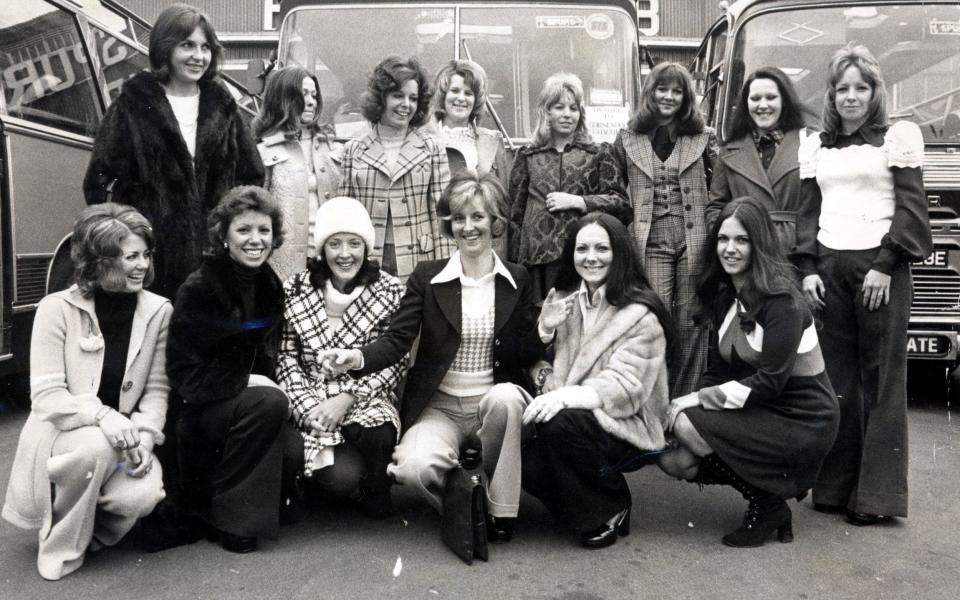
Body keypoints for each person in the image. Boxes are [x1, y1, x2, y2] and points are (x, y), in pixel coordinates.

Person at [322, 172, 545, 543]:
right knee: (413, 469)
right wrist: (356, 357)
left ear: (495, 222)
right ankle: (465, 508)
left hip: (493, 408)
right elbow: (396, 340)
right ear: (449, 224)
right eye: (459, 218)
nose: (468, 227)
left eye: (478, 217)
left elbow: (523, 352)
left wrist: (544, 330)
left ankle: (501, 512)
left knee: (506, 396)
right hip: (439, 407)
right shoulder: (429, 276)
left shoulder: (517, 278)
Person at [796, 45, 931, 525]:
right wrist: (809, 267)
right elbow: (808, 211)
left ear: (876, 91)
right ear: (832, 94)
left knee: (881, 380)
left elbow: (913, 210)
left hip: (881, 268)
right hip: (831, 268)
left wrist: (885, 264)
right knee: (838, 381)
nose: (851, 96)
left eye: (861, 87)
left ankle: (875, 499)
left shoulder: (897, 137)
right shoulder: (816, 143)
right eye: (843, 88)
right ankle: (833, 489)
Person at [658, 197, 839, 547]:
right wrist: (691, 399)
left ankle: (769, 506)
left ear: (759, 244)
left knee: (686, 424)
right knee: (675, 461)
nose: (730, 249)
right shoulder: (727, 295)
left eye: (741, 240)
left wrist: (691, 402)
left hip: (803, 417)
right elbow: (718, 369)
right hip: (763, 409)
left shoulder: (782, 302)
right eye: (723, 240)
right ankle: (768, 502)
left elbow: (770, 383)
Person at [3, 204, 169, 580]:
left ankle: (91, 533)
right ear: (100, 261)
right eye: (130, 257)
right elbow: (46, 396)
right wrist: (102, 415)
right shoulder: (55, 308)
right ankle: (60, 547)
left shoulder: (159, 311)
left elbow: (157, 390)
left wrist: (144, 437)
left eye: (146, 254)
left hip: (122, 437)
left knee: (142, 495)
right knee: (96, 445)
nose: (142, 265)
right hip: (62, 435)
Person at [83, 3, 263, 300]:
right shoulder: (134, 102)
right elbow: (97, 182)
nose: (198, 56)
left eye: (205, 47)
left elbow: (253, 177)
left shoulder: (223, 105)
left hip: (214, 261)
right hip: (150, 261)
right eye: (187, 45)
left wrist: (231, 230)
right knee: (151, 342)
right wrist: (126, 238)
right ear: (165, 48)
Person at [520, 212, 673, 549]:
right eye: (582, 248)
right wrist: (545, 339)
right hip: (576, 418)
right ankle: (587, 506)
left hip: (625, 420)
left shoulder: (640, 313)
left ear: (620, 253)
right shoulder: (566, 300)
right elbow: (537, 361)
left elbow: (625, 387)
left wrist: (562, 398)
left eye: (602, 248)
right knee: (528, 464)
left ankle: (611, 502)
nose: (590, 257)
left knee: (558, 426)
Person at [166, 186, 303, 554]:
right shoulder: (199, 287)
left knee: (295, 449)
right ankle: (232, 521)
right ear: (224, 235)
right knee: (270, 404)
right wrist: (249, 381)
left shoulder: (271, 285)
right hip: (201, 411)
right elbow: (184, 375)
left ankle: (241, 502)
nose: (255, 240)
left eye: (264, 230)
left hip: (250, 405)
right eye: (243, 230)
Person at [276, 197, 405, 519]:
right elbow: (287, 356)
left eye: (353, 243)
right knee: (338, 479)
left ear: (366, 247)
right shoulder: (295, 287)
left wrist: (347, 398)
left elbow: (395, 358)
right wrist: (307, 408)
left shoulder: (390, 290)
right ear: (322, 248)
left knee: (379, 430)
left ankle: (376, 490)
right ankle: (322, 482)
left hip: (362, 393)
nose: (344, 254)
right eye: (334, 244)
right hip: (309, 394)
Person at [609, 61, 717, 397]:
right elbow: (615, 193)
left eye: (677, 90)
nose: (669, 96)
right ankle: (655, 398)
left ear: (687, 97)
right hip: (651, 240)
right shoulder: (628, 138)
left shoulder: (704, 137)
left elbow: (718, 191)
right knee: (655, 319)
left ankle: (685, 400)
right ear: (650, 92)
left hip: (693, 240)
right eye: (662, 89)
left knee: (692, 320)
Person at [507, 72, 630, 302]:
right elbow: (515, 215)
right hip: (536, 263)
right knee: (541, 323)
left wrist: (580, 202)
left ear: (581, 114)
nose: (567, 114)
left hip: (583, 256)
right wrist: (514, 266)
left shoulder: (598, 153)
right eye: (559, 107)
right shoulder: (527, 156)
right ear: (546, 112)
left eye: (573, 108)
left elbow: (621, 203)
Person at [338, 56, 452, 281]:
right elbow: (346, 218)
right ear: (381, 98)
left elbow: (442, 214)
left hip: (420, 260)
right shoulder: (353, 149)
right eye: (398, 95)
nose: (406, 105)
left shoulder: (432, 148)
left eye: (413, 98)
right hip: (368, 260)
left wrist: (444, 272)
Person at [705, 67, 810, 261]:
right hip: (747, 255)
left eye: (771, 97)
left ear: (784, 101)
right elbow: (716, 207)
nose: (763, 105)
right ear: (746, 104)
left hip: (798, 254)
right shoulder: (729, 151)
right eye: (755, 99)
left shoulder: (810, 143)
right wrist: (731, 240)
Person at [253, 66, 342, 282]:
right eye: (304, 94)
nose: (311, 101)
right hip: (280, 268)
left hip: (330, 265)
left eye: (314, 95)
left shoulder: (331, 147)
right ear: (283, 97)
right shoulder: (262, 150)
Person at [425, 60, 511, 254]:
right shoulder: (422, 140)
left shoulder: (492, 142)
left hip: (480, 244)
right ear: (443, 95)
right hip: (436, 243)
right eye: (455, 91)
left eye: (468, 93)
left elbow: (502, 205)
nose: (461, 98)